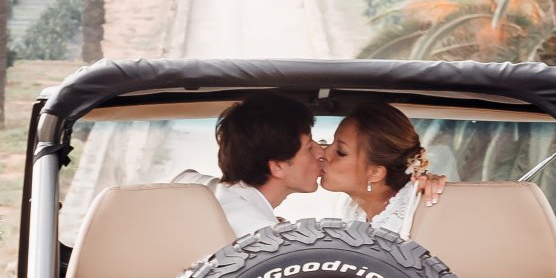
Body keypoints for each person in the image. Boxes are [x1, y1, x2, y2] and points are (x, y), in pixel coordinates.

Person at [180, 91, 320, 237]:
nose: (321, 153)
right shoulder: (262, 238)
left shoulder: (192, 184)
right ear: (277, 167)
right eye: (309, 148)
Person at [320, 99, 445, 236]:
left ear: (375, 173)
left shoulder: (418, 210)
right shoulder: (347, 209)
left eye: (341, 152)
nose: (324, 153)